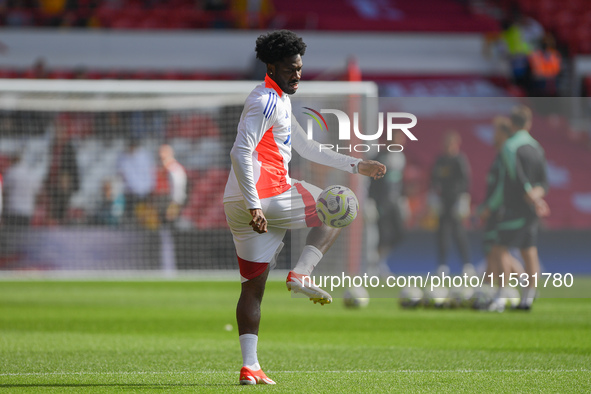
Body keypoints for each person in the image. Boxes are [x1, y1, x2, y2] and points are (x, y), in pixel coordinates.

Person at [223, 30, 386, 385]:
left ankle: (250, 366)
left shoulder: (278, 99)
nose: (297, 74)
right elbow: (239, 152)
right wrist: (256, 205)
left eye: (299, 68)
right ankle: (301, 273)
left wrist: (357, 165)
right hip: (264, 195)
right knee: (340, 206)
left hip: (237, 200)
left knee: (252, 288)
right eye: (289, 69)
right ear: (271, 66)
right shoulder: (266, 100)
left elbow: (308, 149)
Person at [486, 106, 549, 311]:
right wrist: (537, 198)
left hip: (514, 206)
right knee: (529, 251)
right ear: (529, 124)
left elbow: (515, 176)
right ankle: (527, 299)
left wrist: (529, 195)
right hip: (531, 208)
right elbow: (544, 182)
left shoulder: (509, 147)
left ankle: (501, 294)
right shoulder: (537, 147)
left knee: (499, 249)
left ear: (512, 124)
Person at [475, 116, 525, 310]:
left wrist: (490, 207)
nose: (493, 135)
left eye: (496, 131)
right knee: (493, 251)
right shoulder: (500, 156)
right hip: (495, 210)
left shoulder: (507, 154)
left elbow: (504, 187)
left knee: (498, 250)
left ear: (504, 133)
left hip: (500, 211)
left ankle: (507, 290)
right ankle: (497, 290)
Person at [430, 131, 473, 276]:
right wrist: (434, 196)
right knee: (442, 233)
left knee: (459, 233)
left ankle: (466, 264)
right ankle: (442, 265)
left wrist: (463, 199)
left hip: (456, 201)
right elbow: (434, 179)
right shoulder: (440, 160)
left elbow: (465, 181)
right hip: (443, 202)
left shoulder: (459, 160)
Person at [367, 130, 407, 276]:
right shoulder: (379, 158)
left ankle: (380, 259)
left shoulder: (401, 158)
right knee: (382, 233)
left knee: (399, 233)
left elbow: (400, 181)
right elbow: (371, 182)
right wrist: (370, 201)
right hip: (381, 202)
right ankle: (375, 265)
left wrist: (403, 199)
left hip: (395, 201)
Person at [117, 137, 156, 223]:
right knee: (131, 213)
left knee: (143, 213)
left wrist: (149, 187)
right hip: (129, 192)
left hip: (143, 191)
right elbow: (121, 173)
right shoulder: (123, 157)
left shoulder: (144, 156)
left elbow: (149, 173)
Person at [46, 124, 80, 224]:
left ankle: (62, 226)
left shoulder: (68, 147)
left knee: (61, 208)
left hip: (64, 185)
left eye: (60, 131)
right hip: (54, 184)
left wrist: (66, 181)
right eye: (56, 131)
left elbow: (70, 166)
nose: (57, 134)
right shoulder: (53, 146)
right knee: (53, 209)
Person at [3, 153, 44, 227]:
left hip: (12, 209)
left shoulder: (11, 171)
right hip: (27, 211)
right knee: (23, 235)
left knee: (10, 235)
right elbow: (38, 193)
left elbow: (4, 191)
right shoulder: (32, 173)